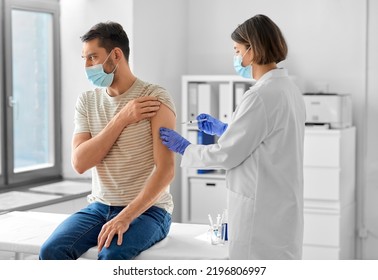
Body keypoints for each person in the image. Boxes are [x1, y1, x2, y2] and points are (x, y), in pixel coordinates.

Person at [160, 14, 306, 259]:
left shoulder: (261, 95)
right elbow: (268, 143)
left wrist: (185, 147)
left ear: (253, 49)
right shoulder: (289, 90)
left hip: (261, 218)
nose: (236, 57)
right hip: (281, 211)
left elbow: (227, 154)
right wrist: (226, 130)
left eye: (237, 50)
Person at [39, 21, 176, 260]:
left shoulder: (154, 97)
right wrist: (121, 119)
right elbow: (80, 163)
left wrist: (125, 216)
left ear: (116, 55)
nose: (87, 66)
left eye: (93, 57)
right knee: (51, 251)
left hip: (150, 210)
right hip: (99, 207)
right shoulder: (86, 101)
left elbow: (166, 170)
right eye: (84, 58)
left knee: (111, 256)